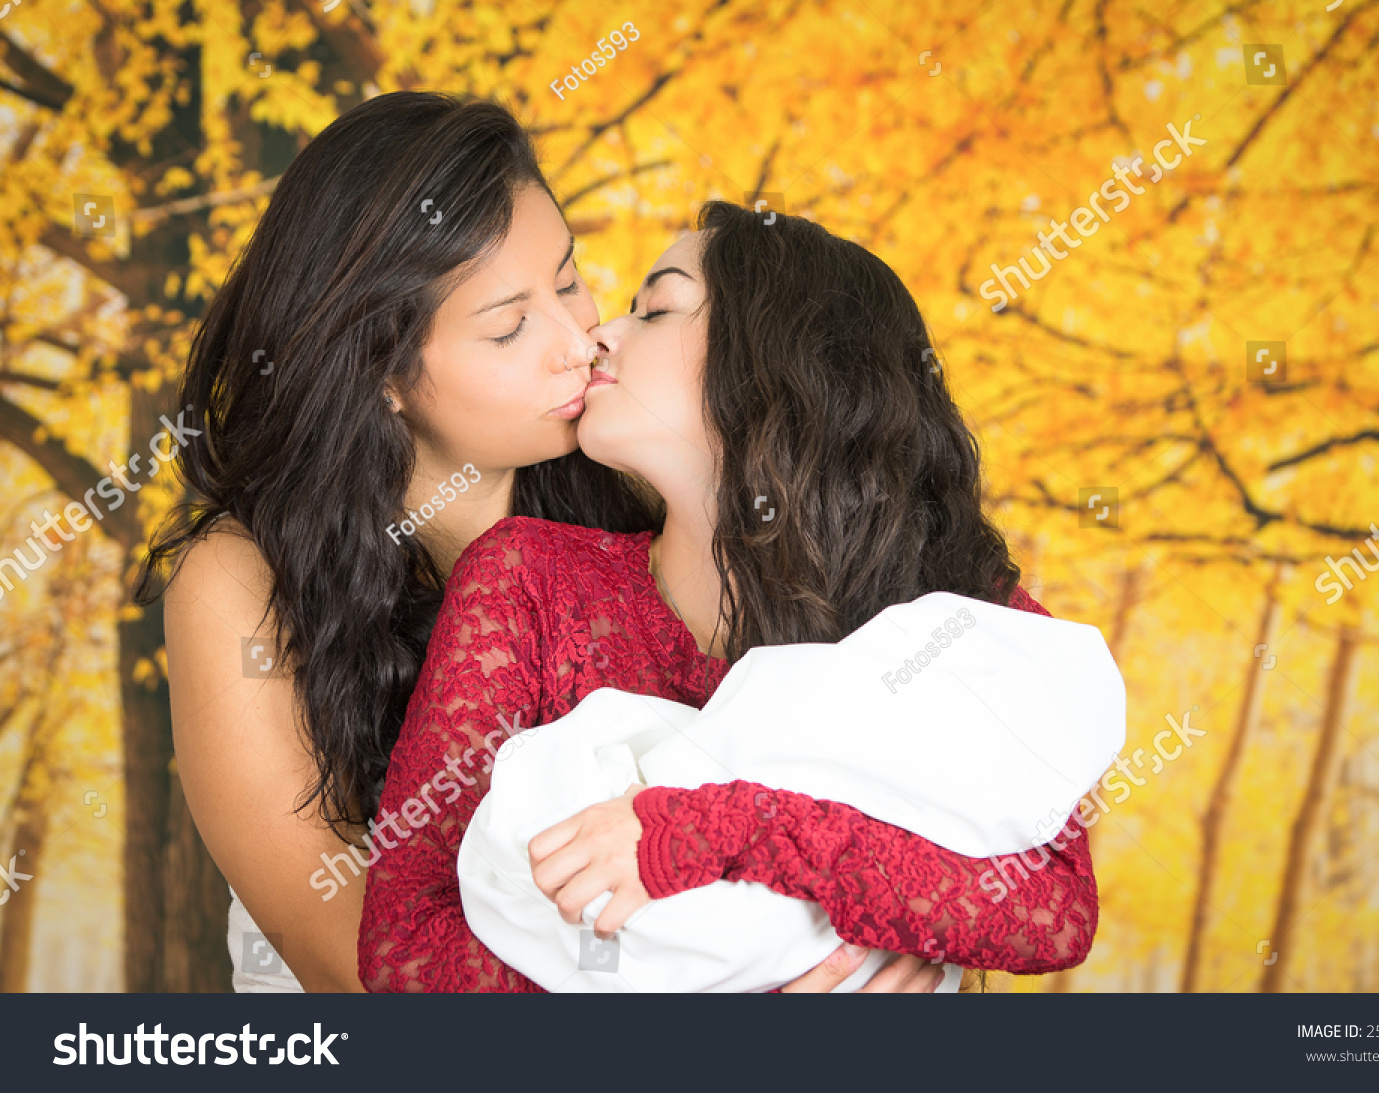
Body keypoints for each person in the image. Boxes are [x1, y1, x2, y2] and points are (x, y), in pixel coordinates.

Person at [138, 90, 931, 995]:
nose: (579, 341)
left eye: (568, 278)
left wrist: (886, 929)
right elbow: (360, 968)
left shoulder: (646, 487)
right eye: (509, 326)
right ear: (381, 375)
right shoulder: (241, 582)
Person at [358, 202, 1103, 992]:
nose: (598, 335)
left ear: (777, 367)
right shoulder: (528, 578)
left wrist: (718, 829)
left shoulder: (950, 606)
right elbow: (406, 946)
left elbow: (1053, 908)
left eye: (656, 308)